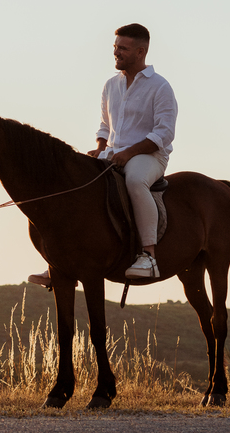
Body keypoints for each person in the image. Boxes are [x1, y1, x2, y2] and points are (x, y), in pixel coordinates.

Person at [28, 22, 177, 284]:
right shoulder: (111, 85)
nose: (116, 53)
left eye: (123, 48)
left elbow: (163, 134)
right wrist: (99, 146)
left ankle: (148, 255)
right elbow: (105, 125)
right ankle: (59, 260)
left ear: (141, 52)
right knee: (76, 178)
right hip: (113, 153)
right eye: (115, 47)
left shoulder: (160, 87)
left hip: (150, 156)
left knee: (134, 180)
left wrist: (130, 152)